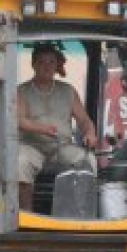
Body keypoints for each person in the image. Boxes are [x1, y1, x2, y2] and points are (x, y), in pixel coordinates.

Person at [17, 43, 98, 210]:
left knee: (88, 160)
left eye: (51, 62)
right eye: (41, 62)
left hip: (62, 146)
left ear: (56, 66)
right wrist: (43, 129)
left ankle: (82, 213)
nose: (47, 67)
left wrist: (90, 132)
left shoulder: (68, 91)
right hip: (31, 146)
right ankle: (25, 216)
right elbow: (20, 120)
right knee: (20, 162)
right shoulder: (21, 91)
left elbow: (83, 119)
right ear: (33, 65)